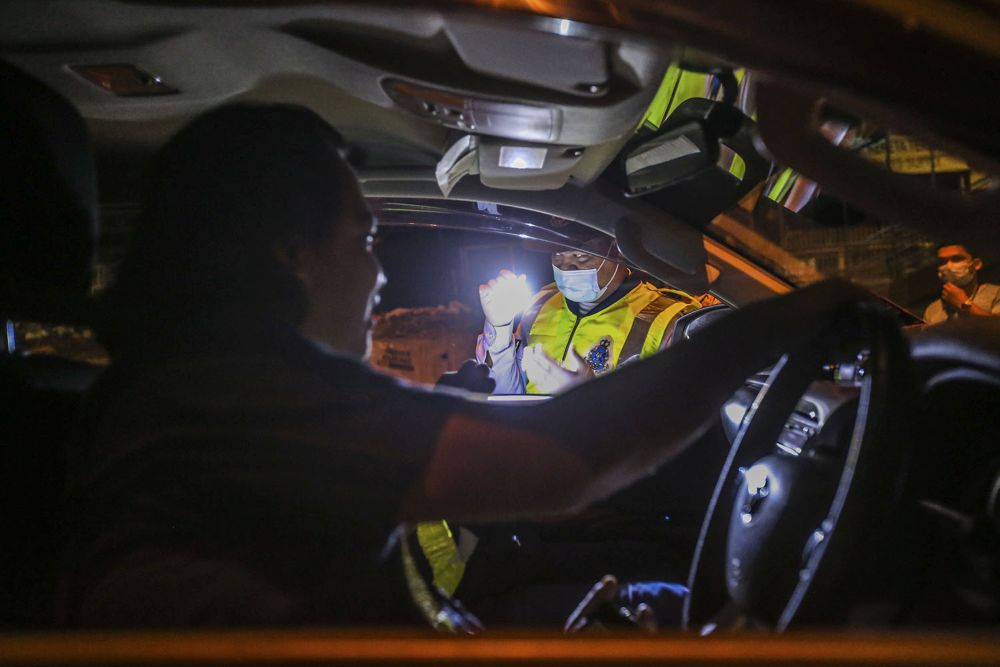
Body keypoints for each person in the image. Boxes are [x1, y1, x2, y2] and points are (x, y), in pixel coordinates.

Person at [61, 103, 867, 628]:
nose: (379, 275)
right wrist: (784, 318)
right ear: (290, 254)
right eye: (365, 240)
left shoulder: (193, 388)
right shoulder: (231, 396)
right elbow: (562, 459)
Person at [476, 239, 702, 395]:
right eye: (558, 255)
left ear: (618, 250)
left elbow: (671, 424)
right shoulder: (541, 303)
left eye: (581, 255)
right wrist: (500, 331)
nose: (568, 267)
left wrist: (590, 401)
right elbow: (508, 397)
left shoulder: (668, 318)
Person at [923, 244, 1000, 325]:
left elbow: (997, 327)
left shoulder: (996, 293)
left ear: (976, 264)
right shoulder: (932, 310)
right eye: (943, 261)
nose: (948, 266)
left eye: (957, 259)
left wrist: (963, 303)